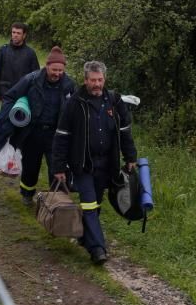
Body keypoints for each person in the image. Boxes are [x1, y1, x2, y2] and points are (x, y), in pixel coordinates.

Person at [52, 60, 137, 265]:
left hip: (106, 164)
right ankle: (97, 248)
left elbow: (125, 132)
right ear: (85, 80)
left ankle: (83, 236)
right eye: (93, 80)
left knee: (96, 204)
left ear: (104, 79)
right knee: (89, 204)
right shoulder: (75, 103)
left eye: (100, 80)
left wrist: (131, 157)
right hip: (83, 164)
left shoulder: (114, 101)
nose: (97, 84)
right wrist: (59, 166)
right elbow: (62, 135)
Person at [3, 46, 75, 206]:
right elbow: (10, 96)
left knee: (57, 169)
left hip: (56, 135)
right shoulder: (31, 80)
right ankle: (27, 194)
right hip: (33, 132)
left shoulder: (69, 85)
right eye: (54, 69)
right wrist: (7, 120)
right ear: (47, 66)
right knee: (30, 166)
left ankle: (57, 202)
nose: (57, 73)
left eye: (60, 70)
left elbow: (75, 109)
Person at [0, 22, 39, 104]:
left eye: (18, 33)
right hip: (5, 92)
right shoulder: (3, 50)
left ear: (24, 35)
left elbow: (36, 75)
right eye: (13, 32)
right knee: (5, 116)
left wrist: (34, 94)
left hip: (23, 95)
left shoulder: (30, 53)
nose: (15, 35)